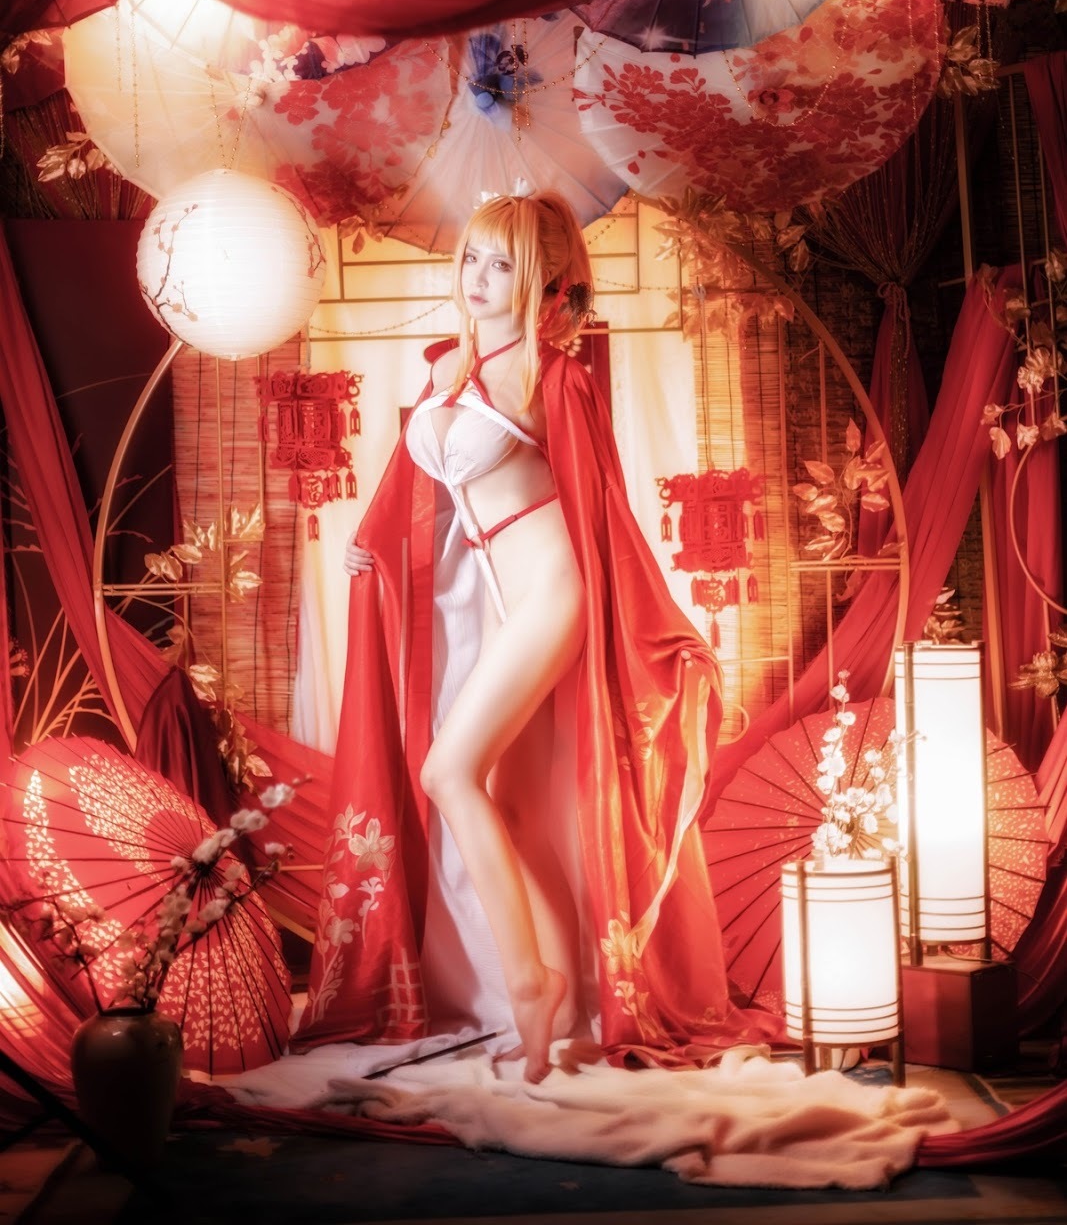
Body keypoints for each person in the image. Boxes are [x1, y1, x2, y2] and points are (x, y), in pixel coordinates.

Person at [293, 190, 777, 1078]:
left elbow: (604, 512)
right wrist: (371, 544)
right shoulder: (445, 368)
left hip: (553, 598)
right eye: (472, 258)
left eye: (503, 265)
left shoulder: (554, 378)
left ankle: (528, 983)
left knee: (448, 773)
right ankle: (562, 993)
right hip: (500, 603)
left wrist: (651, 627)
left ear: (545, 284)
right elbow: (416, 488)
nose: (479, 278)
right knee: (512, 808)